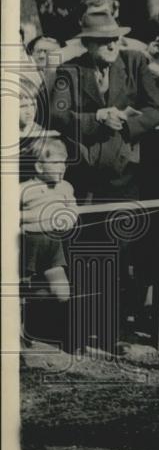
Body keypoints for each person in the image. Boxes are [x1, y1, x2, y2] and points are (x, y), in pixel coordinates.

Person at [50, 11, 159, 341]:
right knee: (83, 250)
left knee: (120, 250)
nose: (112, 44)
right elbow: (58, 114)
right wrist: (96, 117)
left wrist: (129, 126)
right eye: (103, 40)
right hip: (84, 176)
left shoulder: (134, 63)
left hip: (124, 173)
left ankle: (113, 328)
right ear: (88, 43)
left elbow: (157, 108)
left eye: (115, 38)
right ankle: (83, 327)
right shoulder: (69, 71)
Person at [20, 137, 78, 347]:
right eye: (56, 162)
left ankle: (63, 336)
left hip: (53, 247)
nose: (62, 167)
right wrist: (34, 217)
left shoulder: (66, 187)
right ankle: (19, 334)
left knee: (62, 291)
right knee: (22, 290)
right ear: (39, 166)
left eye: (64, 162)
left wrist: (67, 220)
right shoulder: (24, 189)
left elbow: (73, 210)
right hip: (29, 245)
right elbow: (10, 214)